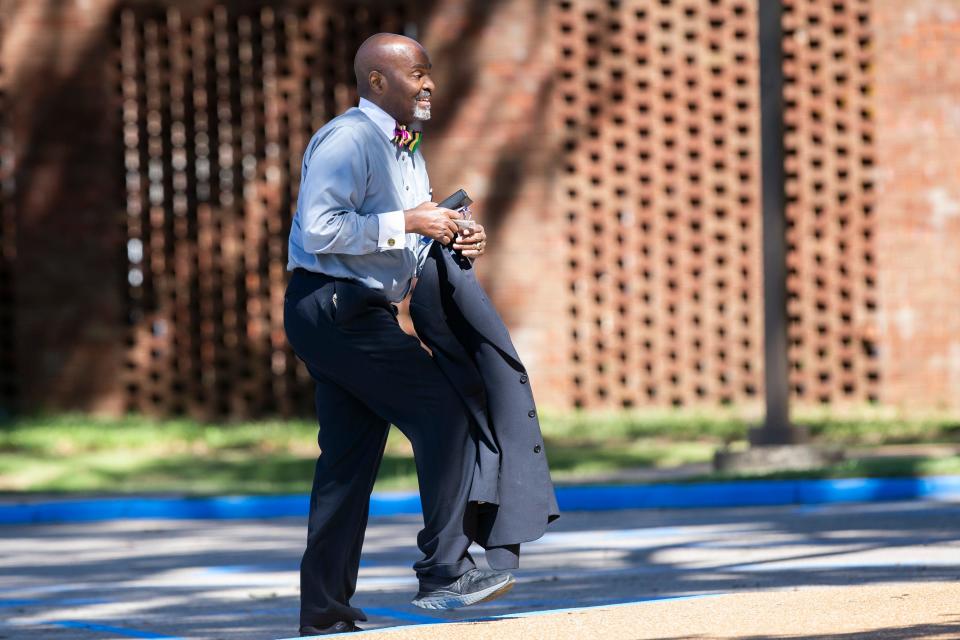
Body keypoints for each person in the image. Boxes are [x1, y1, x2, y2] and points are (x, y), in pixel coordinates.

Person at [283, 33, 512, 636]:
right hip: (334, 304)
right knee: (445, 412)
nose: (429, 83)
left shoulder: (405, 148)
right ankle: (443, 573)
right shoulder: (348, 138)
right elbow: (320, 230)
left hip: (351, 308)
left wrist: (450, 230)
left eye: (429, 72)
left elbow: (397, 238)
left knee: (348, 463)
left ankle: (324, 612)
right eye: (417, 74)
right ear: (377, 82)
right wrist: (412, 218)